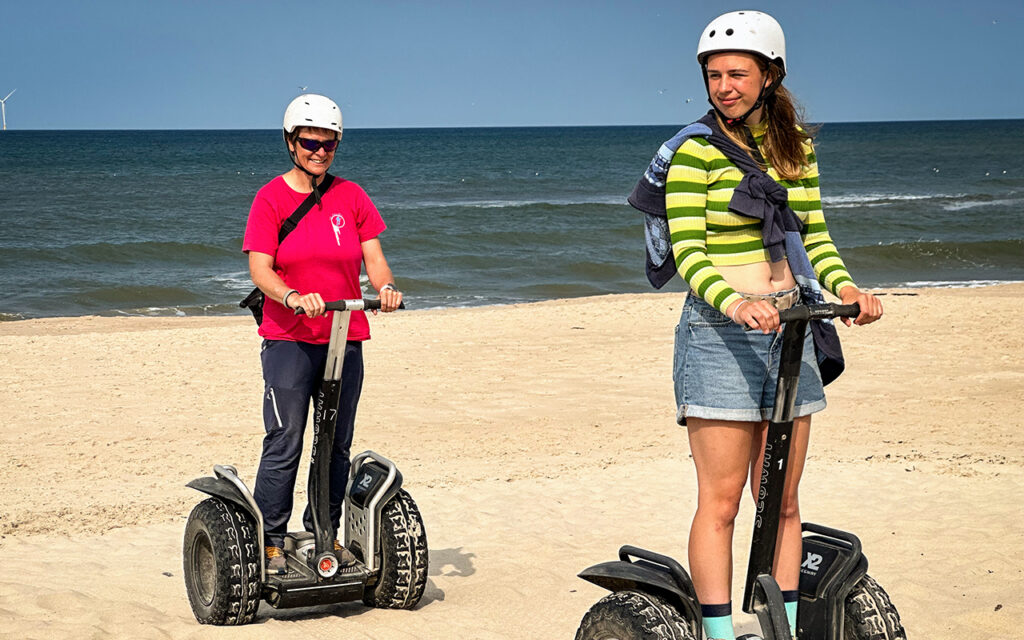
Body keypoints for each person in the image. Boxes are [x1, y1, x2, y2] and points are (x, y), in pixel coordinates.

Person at [666, 12, 883, 640]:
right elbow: (689, 252)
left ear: (770, 74)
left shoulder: (798, 149)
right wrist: (734, 303)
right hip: (719, 336)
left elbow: (814, 236)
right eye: (714, 75)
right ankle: (718, 632)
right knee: (724, 501)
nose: (724, 86)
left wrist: (845, 289)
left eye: (737, 73)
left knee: (783, 501)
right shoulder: (694, 152)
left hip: (791, 328)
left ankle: (780, 627)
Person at [242, 94, 402, 574]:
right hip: (289, 337)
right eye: (311, 142)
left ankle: (323, 530)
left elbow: (373, 257)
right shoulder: (270, 198)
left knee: (336, 441)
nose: (320, 151)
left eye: (328, 143)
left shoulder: (351, 195)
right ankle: (270, 538)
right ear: (291, 143)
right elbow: (259, 268)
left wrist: (387, 286)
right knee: (287, 436)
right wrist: (291, 296)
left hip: (344, 335)